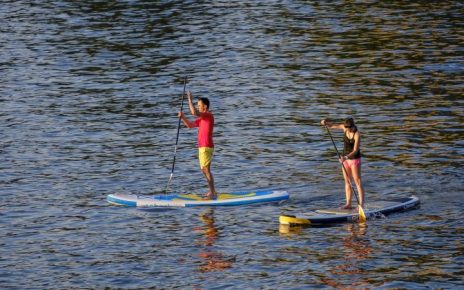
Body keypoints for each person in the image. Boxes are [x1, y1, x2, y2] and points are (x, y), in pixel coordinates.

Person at [179, 91, 217, 199]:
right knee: (204, 169)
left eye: (199, 105)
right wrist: (182, 117)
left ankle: (213, 192)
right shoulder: (202, 119)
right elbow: (190, 125)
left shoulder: (208, 115)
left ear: (205, 106)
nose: (198, 107)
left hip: (206, 146)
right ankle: (212, 191)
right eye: (197, 105)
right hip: (202, 147)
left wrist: (189, 100)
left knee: (206, 169)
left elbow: (194, 113)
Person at [320, 118, 365, 209]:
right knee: (347, 181)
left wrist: (346, 157)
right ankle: (348, 203)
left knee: (357, 182)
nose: (345, 129)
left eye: (347, 127)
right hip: (345, 160)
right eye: (345, 127)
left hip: (354, 159)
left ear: (351, 126)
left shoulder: (357, 134)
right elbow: (332, 125)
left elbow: (355, 150)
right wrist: (325, 123)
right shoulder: (344, 128)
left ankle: (361, 204)